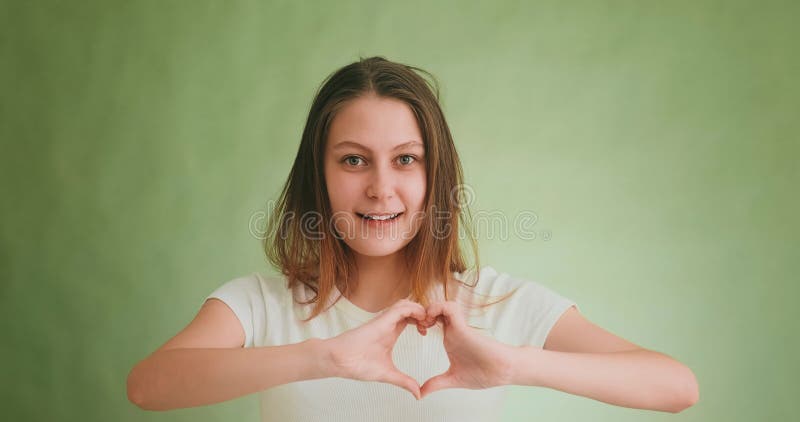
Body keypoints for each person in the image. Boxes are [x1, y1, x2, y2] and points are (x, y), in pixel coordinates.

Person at [126, 56, 699, 420]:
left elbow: (675, 387)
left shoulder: (498, 304)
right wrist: (322, 358)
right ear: (318, 176)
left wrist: (515, 365)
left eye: (405, 159)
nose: (381, 188)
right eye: (354, 160)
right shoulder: (260, 303)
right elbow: (150, 386)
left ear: (435, 177)